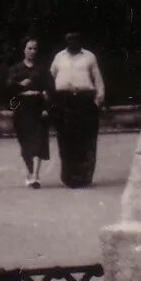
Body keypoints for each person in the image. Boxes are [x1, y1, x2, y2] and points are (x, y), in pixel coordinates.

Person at [49, 32, 104, 189]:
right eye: (69, 39)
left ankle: (84, 176)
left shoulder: (89, 57)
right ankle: (68, 177)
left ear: (80, 41)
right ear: (66, 41)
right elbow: (50, 77)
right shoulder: (59, 57)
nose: (72, 42)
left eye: (75, 39)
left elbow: (97, 79)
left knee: (85, 139)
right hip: (64, 101)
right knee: (65, 139)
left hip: (84, 100)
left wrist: (98, 99)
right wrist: (49, 98)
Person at [9, 37, 51, 188]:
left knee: (39, 140)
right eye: (29, 48)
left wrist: (47, 107)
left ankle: (36, 176)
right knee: (25, 142)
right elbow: (8, 89)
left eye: (35, 48)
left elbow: (49, 89)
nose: (32, 51)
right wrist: (20, 85)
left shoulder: (42, 69)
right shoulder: (16, 69)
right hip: (22, 107)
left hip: (38, 105)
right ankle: (29, 171)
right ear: (24, 50)